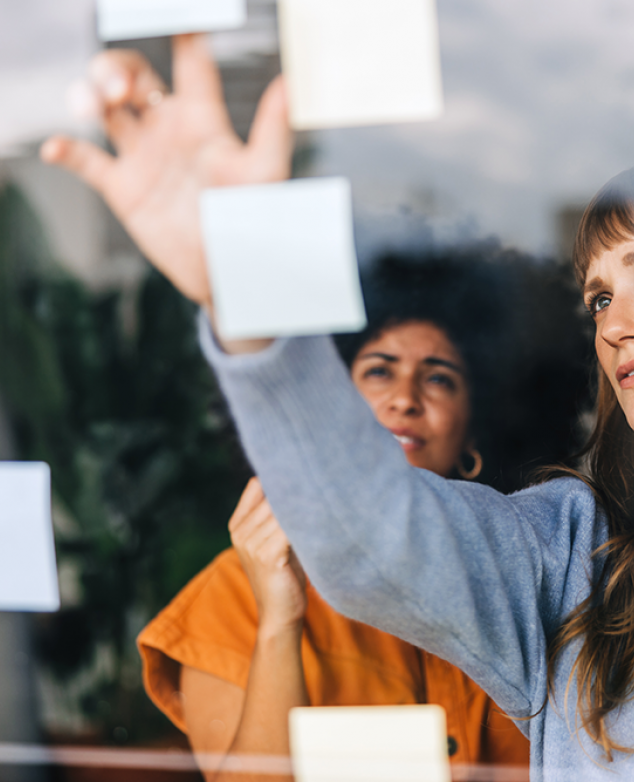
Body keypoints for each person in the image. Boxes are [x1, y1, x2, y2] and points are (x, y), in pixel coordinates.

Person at [45, 35, 634, 781]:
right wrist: (246, 300)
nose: (617, 322)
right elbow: (364, 530)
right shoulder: (565, 549)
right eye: (599, 296)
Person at [134, 251, 547, 781]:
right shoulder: (232, 596)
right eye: (379, 371)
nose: (405, 397)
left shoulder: (524, 580)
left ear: (472, 437)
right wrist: (279, 622)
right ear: (329, 413)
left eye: (439, 378)